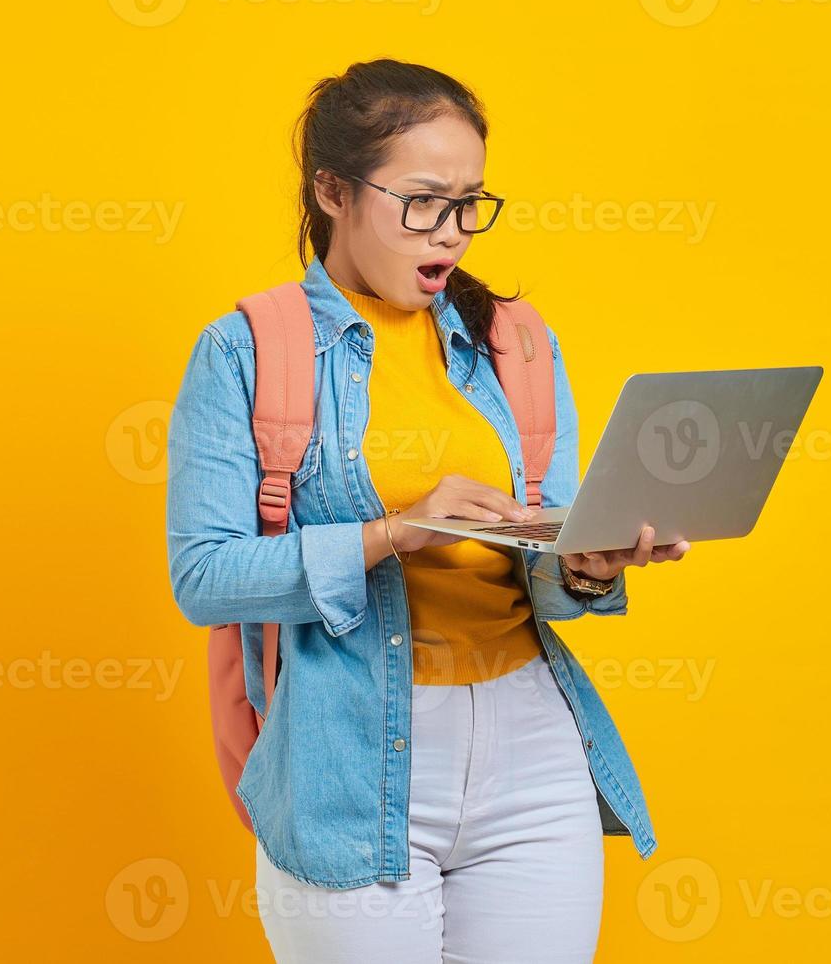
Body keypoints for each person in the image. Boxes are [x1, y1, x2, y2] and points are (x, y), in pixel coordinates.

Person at [166, 58, 689, 963]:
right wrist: (395, 534)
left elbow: (544, 555)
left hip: (533, 749)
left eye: (470, 203)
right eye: (422, 201)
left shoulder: (515, 341)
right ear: (332, 189)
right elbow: (204, 579)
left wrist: (582, 566)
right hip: (347, 759)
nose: (451, 232)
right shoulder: (246, 349)